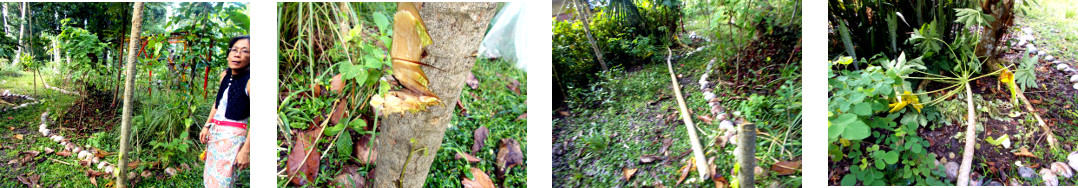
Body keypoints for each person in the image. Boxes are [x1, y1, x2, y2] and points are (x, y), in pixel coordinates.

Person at [200, 35, 250, 187]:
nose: (237, 54)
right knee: (210, 177)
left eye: (245, 51)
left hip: (233, 137)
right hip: (215, 133)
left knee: (222, 180)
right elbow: (218, 102)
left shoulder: (250, 81)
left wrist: (246, 151)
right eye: (234, 50)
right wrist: (207, 125)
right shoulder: (225, 75)